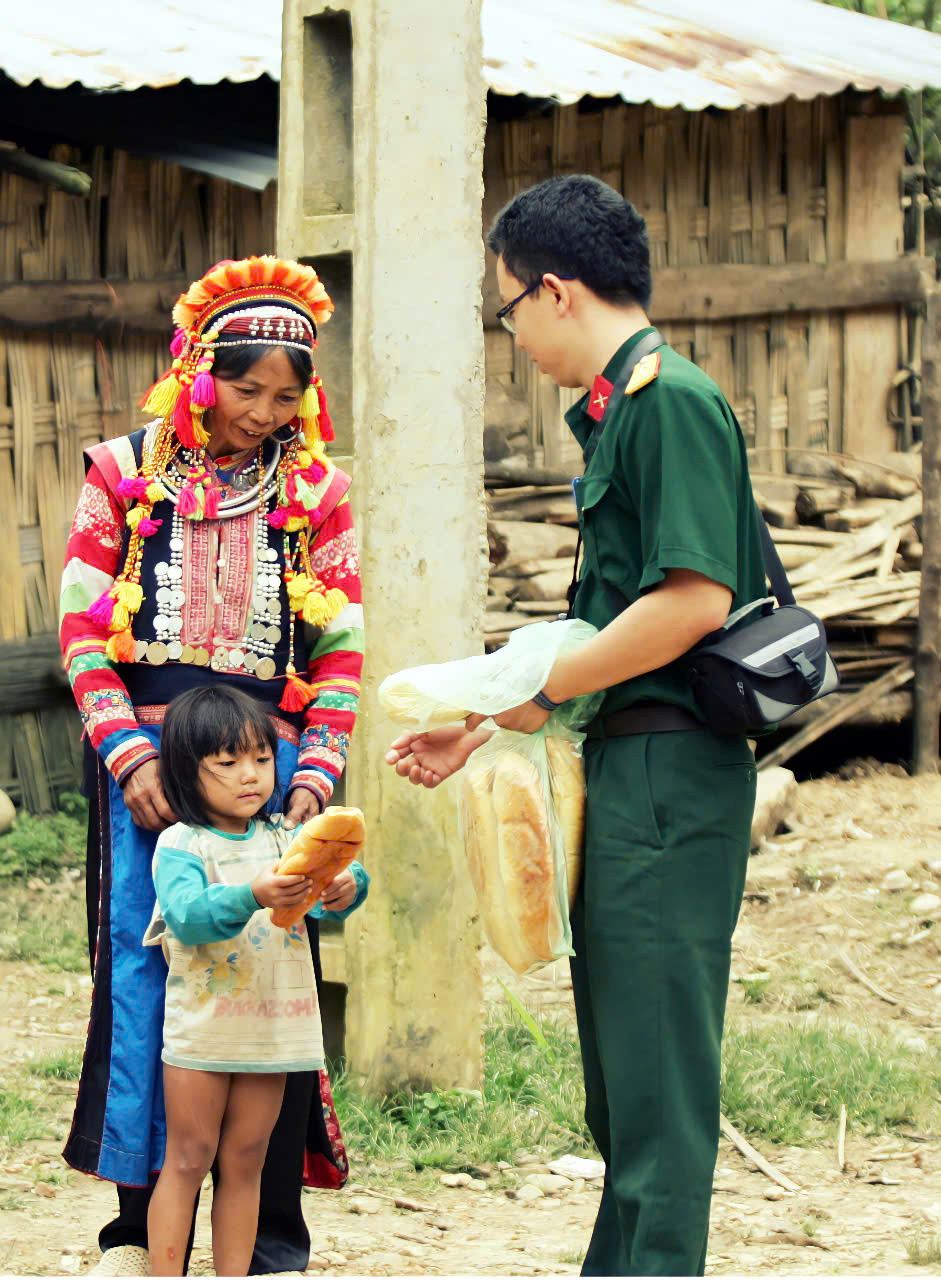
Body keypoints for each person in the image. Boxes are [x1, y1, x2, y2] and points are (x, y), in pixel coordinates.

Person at [386, 175, 765, 1276]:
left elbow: (690, 600)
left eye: (507, 313)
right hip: (629, 761)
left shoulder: (668, 400)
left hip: (671, 772)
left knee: (657, 1094)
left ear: (553, 291)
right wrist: (487, 715)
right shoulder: (621, 410)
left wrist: (542, 694)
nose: (514, 339)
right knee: (623, 1088)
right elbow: (602, 625)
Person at [59, 255, 364, 1276]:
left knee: (268, 981)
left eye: (286, 396)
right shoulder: (120, 474)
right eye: (245, 387)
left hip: (267, 775)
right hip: (142, 773)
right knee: (148, 976)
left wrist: (313, 773)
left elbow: (340, 656)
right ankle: (137, 1234)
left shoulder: (317, 491)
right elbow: (77, 629)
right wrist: (126, 748)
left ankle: (268, 1235)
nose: (263, 412)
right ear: (196, 367)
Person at [143, 684, 368, 1277]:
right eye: (227, 762)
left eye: (262, 760)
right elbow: (188, 919)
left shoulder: (286, 838)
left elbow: (327, 894)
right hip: (204, 1032)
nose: (250, 775)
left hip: (275, 1030)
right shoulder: (181, 844)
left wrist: (346, 885)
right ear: (185, 772)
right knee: (189, 1158)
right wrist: (252, 894)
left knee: (247, 1162)